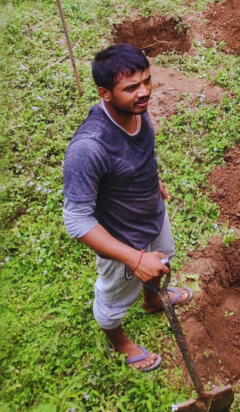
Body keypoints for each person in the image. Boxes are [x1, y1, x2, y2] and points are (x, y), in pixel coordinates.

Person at [61, 43, 193, 372]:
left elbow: (142, 152)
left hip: (152, 215)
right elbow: (76, 220)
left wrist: (153, 179)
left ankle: (153, 301)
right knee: (113, 300)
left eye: (147, 81)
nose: (144, 92)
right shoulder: (89, 148)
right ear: (104, 93)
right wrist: (134, 259)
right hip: (123, 238)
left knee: (162, 259)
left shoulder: (135, 109)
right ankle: (119, 343)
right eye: (132, 87)